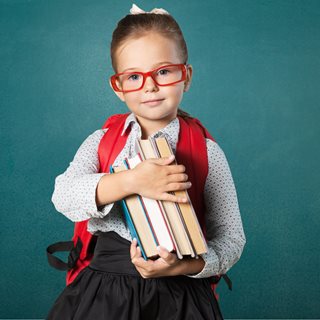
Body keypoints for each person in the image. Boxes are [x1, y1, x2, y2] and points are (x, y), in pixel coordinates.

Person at [46, 4, 246, 320]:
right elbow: (63, 195)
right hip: (103, 293)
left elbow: (232, 238)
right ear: (118, 87)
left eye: (164, 71)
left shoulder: (207, 152)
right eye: (134, 76)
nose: (150, 86)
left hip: (181, 297)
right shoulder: (102, 141)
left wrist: (186, 266)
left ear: (186, 76)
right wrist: (133, 181)